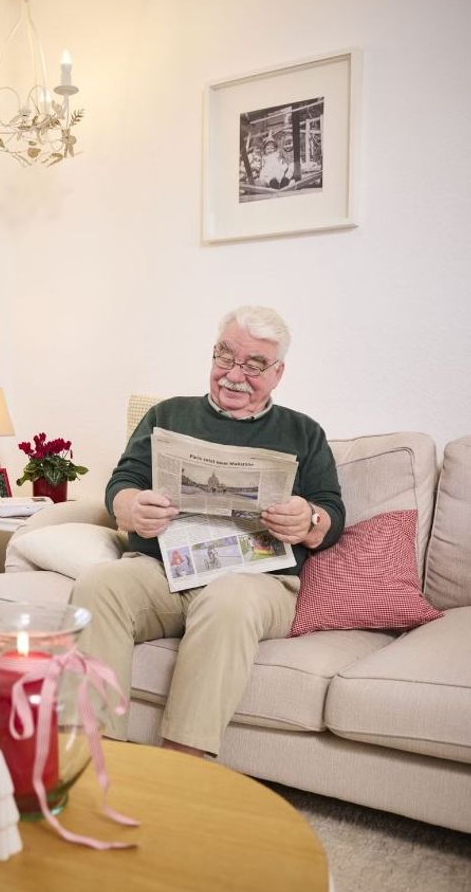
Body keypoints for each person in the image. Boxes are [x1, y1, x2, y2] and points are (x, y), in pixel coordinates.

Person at [71, 305, 345, 758]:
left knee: (227, 599)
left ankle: (182, 769)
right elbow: (123, 482)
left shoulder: (304, 432)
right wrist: (130, 506)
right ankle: (98, 760)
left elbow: (332, 512)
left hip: (255, 584)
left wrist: (310, 519)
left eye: (254, 365)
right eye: (225, 357)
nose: (235, 375)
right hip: (162, 573)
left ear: (277, 373)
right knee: (99, 584)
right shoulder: (168, 415)